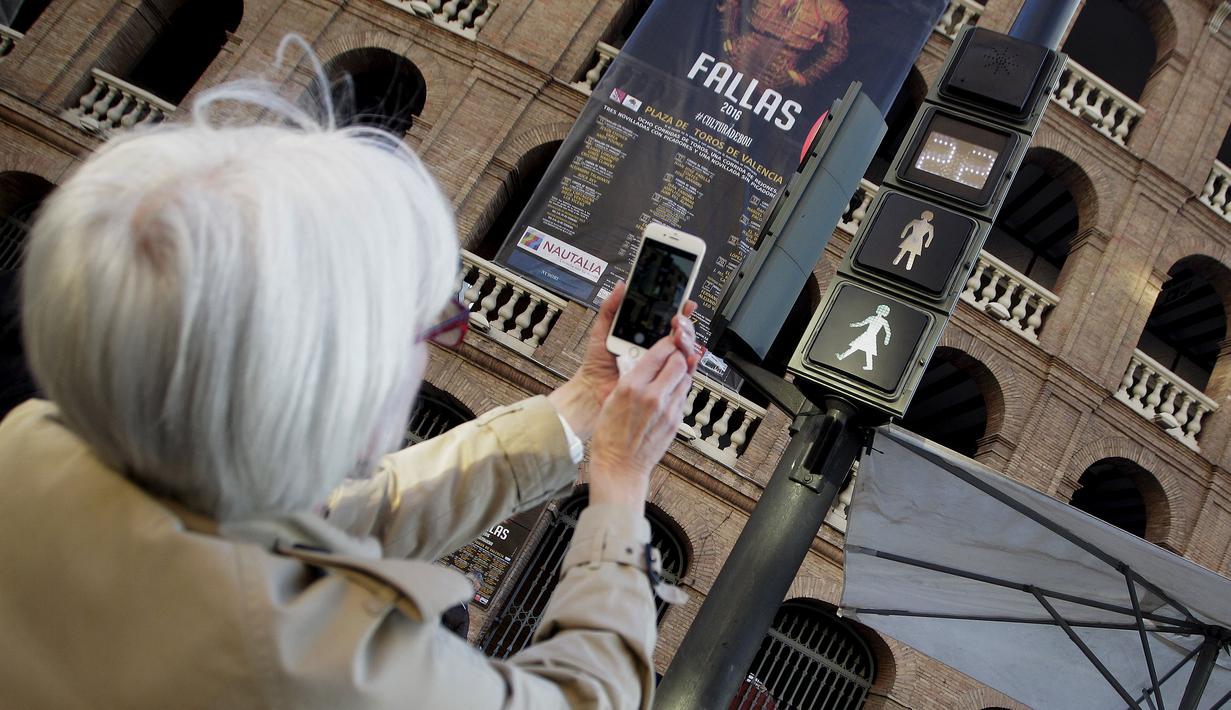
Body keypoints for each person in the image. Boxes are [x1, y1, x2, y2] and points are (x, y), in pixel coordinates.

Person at [0, 65, 699, 709]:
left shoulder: (29, 447)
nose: (426, 351)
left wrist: (580, 406)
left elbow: (351, 513)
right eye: (424, 325)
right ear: (333, 381)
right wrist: (620, 480)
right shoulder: (318, 665)